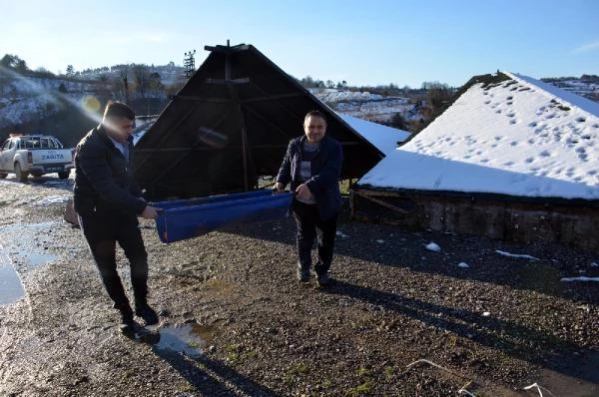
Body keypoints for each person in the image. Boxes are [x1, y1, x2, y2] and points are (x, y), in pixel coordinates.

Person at [74, 102, 160, 333]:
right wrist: (140, 209)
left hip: (121, 210)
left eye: (132, 126)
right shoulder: (90, 147)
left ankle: (142, 305)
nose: (130, 131)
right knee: (108, 267)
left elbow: (128, 178)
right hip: (95, 216)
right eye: (126, 127)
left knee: (139, 256)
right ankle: (125, 313)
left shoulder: (125, 141)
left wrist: (140, 198)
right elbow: (106, 189)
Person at [274, 110, 343, 286]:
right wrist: (280, 182)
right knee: (304, 237)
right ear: (304, 127)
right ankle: (303, 267)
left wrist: (310, 186)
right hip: (301, 203)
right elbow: (286, 165)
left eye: (319, 127)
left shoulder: (334, 147)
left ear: (326, 128)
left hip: (326, 202)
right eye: (311, 126)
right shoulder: (295, 144)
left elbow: (331, 173)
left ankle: (322, 271)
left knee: (326, 239)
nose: (315, 130)